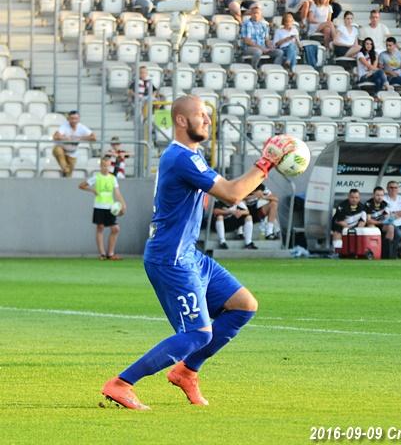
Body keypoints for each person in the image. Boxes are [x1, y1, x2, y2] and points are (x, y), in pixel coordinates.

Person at [100, 95, 297, 410]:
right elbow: (232, 194)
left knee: (244, 305)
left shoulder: (191, 157)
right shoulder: (181, 157)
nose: (207, 120)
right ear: (180, 120)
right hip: (171, 257)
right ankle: (121, 383)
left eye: (208, 115)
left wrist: (254, 183)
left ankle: (187, 371)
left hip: (187, 253)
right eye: (200, 115)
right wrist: (266, 162)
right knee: (198, 334)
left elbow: (227, 190)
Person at [79, 156, 127, 260]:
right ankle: (102, 254)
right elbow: (81, 185)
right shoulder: (96, 177)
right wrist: (92, 190)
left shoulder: (113, 178)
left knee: (115, 229)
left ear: (110, 166)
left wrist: (123, 204)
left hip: (110, 207)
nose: (105, 168)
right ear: (100, 166)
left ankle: (110, 253)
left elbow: (117, 193)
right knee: (100, 228)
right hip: (99, 206)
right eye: (103, 165)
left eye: (107, 166)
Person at [52, 110, 96, 177]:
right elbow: (55, 137)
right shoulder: (64, 126)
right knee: (58, 150)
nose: (74, 121)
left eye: (76, 119)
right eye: (72, 119)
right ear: (68, 119)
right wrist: (65, 138)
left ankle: (66, 177)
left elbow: (94, 137)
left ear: (79, 119)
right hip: (62, 149)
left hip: (72, 153)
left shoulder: (82, 127)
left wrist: (80, 138)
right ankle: (65, 168)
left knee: (69, 175)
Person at [241, 4, 283, 69]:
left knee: (279, 52)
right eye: (254, 13)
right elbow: (247, 41)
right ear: (251, 14)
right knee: (258, 51)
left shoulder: (264, 24)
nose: (255, 15)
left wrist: (271, 46)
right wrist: (261, 48)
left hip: (263, 47)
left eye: (257, 13)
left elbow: (267, 39)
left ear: (261, 14)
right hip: (249, 48)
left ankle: (274, 69)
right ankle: (254, 69)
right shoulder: (246, 24)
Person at [331, 188, 367, 254]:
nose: (354, 199)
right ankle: (336, 253)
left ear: (359, 198)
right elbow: (340, 221)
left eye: (356, 197)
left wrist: (358, 230)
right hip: (341, 226)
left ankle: (358, 253)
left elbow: (363, 221)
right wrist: (350, 230)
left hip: (354, 226)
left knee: (361, 233)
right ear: (348, 197)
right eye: (352, 197)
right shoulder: (342, 206)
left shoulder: (362, 207)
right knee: (337, 233)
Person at [365, 186, 394, 257]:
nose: (379, 197)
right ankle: (372, 252)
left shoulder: (385, 204)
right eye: (377, 195)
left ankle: (387, 253)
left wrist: (389, 220)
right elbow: (368, 220)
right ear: (373, 195)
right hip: (371, 224)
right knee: (372, 227)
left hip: (382, 224)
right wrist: (380, 222)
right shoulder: (368, 204)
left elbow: (387, 217)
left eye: (381, 195)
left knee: (391, 227)